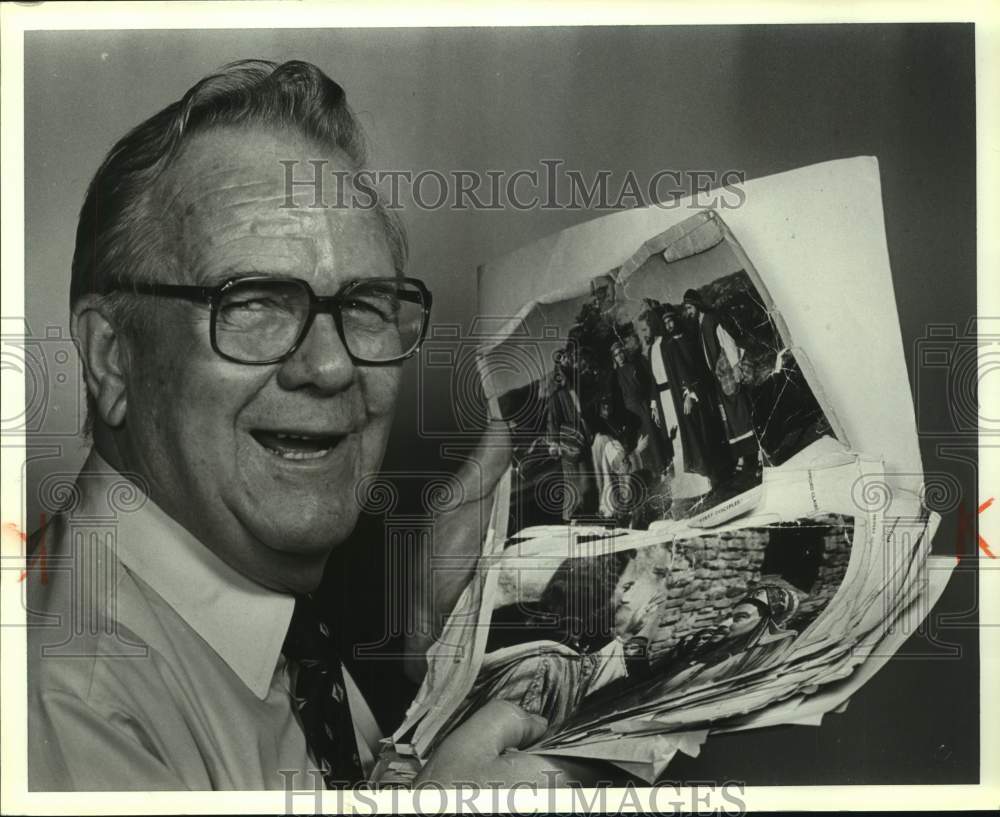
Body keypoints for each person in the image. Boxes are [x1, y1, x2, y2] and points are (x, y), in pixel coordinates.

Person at [25, 59, 587, 791]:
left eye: (363, 305)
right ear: (112, 356)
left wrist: (437, 642)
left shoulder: (268, 627)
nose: (328, 366)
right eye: (254, 301)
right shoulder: (70, 703)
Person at [641, 305, 730, 489]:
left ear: (654, 325)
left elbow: (683, 371)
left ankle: (705, 482)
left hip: (676, 397)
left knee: (689, 436)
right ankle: (688, 488)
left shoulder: (670, 344)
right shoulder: (651, 351)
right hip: (663, 401)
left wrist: (689, 394)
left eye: (645, 328)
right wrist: (654, 406)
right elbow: (652, 380)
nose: (643, 333)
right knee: (674, 441)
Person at [682, 289, 759, 480]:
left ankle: (758, 456)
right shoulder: (700, 326)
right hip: (719, 378)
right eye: (686, 309)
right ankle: (741, 457)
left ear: (697, 305)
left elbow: (728, 341)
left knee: (741, 412)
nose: (688, 312)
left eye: (689, 307)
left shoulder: (711, 320)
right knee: (730, 420)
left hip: (729, 374)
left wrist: (736, 367)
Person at [610, 340, 668, 476]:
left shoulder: (634, 366)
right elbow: (617, 399)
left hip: (643, 405)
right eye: (616, 355)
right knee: (641, 442)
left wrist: (651, 402)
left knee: (652, 435)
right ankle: (650, 471)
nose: (620, 356)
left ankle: (662, 467)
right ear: (614, 358)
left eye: (621, 352)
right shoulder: (615, 376)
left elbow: (647, 384)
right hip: (630, 412)